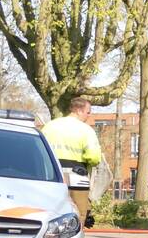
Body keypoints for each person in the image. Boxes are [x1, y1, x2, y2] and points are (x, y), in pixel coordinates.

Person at [41, 97, 102, 228]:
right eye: (88, 112)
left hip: (51, 177)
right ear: (79, 111)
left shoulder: (50, 126)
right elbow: (94, 156)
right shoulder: (86, 130)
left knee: (50, 213)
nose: (89, 115)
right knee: (78, 216)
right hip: (77, 178)